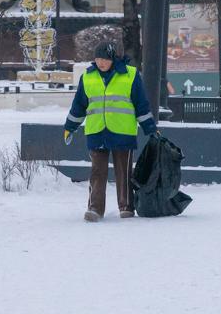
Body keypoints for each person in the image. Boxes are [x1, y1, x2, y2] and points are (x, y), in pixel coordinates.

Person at [63, 42, 157, 222]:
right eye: (97, 59)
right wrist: (70, 127)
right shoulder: (88, 77)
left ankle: (126, 207)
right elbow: (79, 106)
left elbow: (141, 105)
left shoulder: (130, 75)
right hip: (97, 130)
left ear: (112, 58)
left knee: (124, 172)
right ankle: (95, 208)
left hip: (123, 131)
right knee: (97, 172)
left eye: (104, 59)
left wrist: (150, 128)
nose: (101, 63)